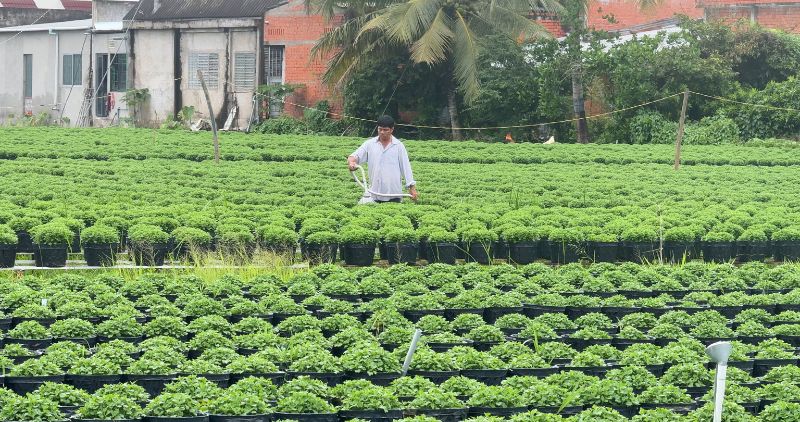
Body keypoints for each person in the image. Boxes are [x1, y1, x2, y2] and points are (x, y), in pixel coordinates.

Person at [347, 115, 418, 203]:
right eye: (380, 129)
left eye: (385, 130)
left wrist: (412, 188)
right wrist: (352, 162)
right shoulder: (370, 144)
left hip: (394, 194)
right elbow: (354, 156)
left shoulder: (398, 146)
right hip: (374, 193)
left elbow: (406, 168)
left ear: (392, 130)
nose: (382, 132)